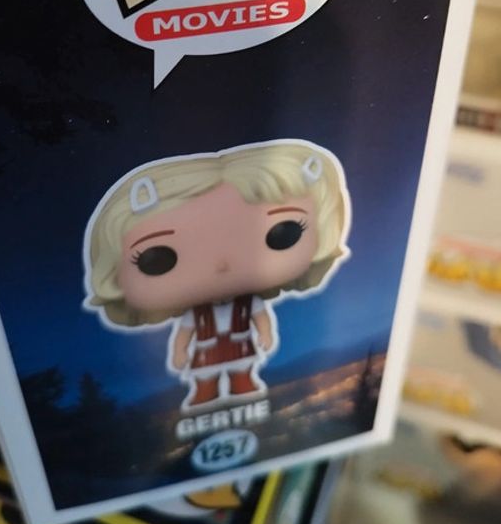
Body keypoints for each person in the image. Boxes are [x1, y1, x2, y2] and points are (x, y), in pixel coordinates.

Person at [84, 139, 351, 410]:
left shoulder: (249, 303)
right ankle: (205, 393)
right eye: (157, 259)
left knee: (242, 374)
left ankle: (242, 385)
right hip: (207, 354)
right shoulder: (197, 314)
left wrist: (267, 335)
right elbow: (185, 333)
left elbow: (261, 319)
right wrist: (179, 352)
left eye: (283, 234)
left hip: (240, 348)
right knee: (205, 380)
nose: (222, 265)